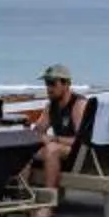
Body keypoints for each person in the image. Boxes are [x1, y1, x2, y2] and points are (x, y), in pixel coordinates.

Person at [32, 64, 86, 192]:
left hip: (78, 152)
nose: (48, 88)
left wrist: (54, 138)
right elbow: (38, 131)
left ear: (66, 84)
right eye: (47, 84)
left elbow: (81, 140)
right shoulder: (51, 106)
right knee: (25, 150)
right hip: (61, 147)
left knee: (52, 149)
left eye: (52, 84)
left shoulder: (78, 105)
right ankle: (22, 194)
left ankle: (50, 197)